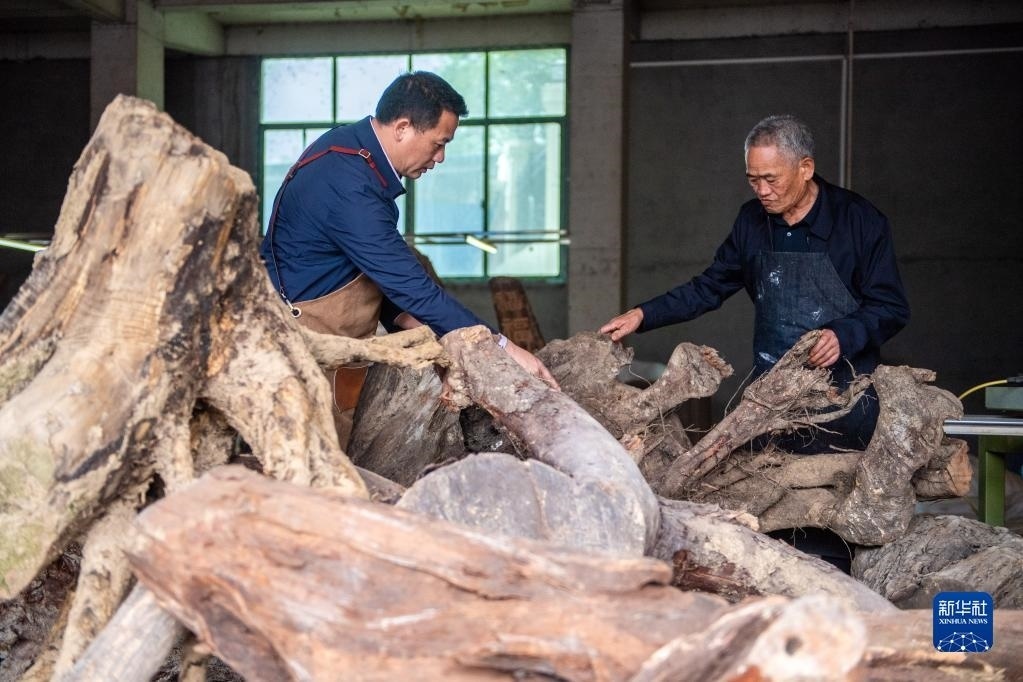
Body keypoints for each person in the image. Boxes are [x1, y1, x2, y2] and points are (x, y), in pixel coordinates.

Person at [261, 71, 558, 444]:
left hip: (335, 340)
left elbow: (373, 274)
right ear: (402, 128)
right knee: (307, 456)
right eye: (438, 143)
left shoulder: (353, 154)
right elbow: (411, 285)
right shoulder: (347, 183)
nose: (441, 157)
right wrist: (500, 347)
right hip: (307, 342)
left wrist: (420, 328)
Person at [600, 114, 910, 454]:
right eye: (753, 180)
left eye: (771, 179)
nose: (762, 191)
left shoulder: (859, 221)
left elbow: (890, 307)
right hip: (769, 401)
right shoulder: (751, 221)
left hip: (843, 401)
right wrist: (643, 314)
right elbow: (709, 287)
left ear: (805, 168)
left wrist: (843, 335)